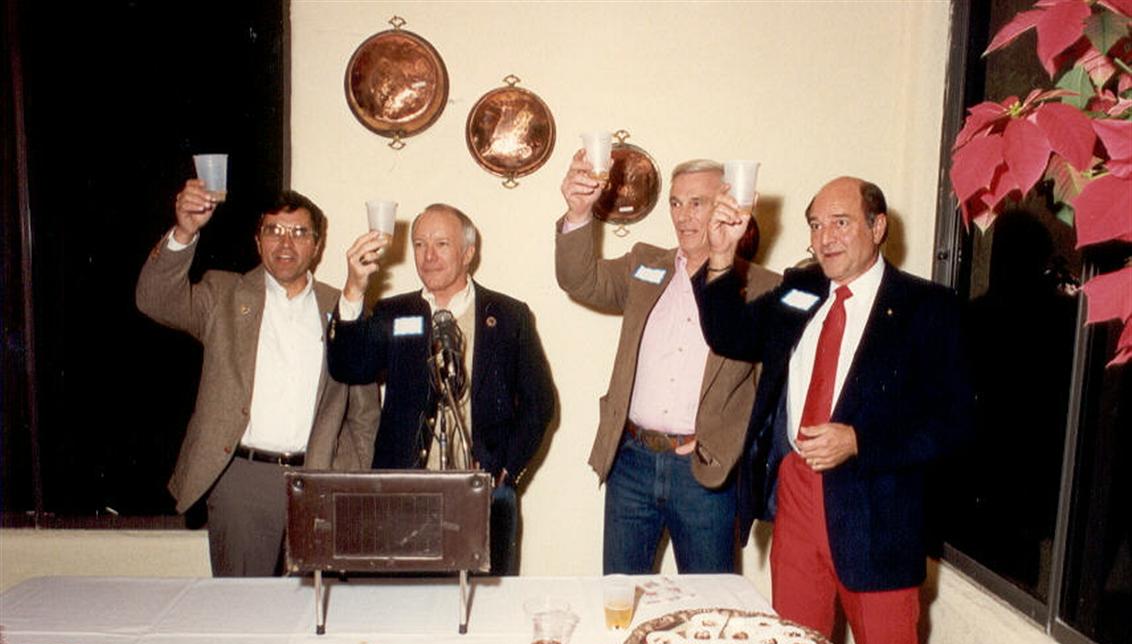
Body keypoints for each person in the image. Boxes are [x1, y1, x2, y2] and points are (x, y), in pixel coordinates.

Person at [694, 176, 974, 644]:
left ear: (878, 226)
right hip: (797, 504)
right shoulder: (803, 291)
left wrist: (860, 441)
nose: (825, 238)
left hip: (877, 519)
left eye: (841, 223)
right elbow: (730, 335)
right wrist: (720, 257)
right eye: (816, 225)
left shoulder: (927, 307)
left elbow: (955, 424)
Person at [136, 180, 380, 577]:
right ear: (257, 240)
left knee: (314, 605)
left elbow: (364, 411)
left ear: (317, 246)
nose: (285, 243)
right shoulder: (223, 294)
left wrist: (348, 474)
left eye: (299, 232)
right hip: (242, 481)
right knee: (243, 606)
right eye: (273, 230)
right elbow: (155, 299)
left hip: (318, 478)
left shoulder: (344, 307)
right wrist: (184, 232)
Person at [556, 152, 780, 574]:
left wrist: (730, 442)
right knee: (621, 596)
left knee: (708, 602)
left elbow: (777, 393)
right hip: (631, 462)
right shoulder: (645, 265)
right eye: (676, 203)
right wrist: (579, 213)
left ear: (729, 203)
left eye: (697, 203)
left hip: (703, 472)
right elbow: (579, 280)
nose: (682, 215)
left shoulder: (763, 287)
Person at [326, 203, 555, 576]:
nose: (428, 256)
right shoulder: (394, 312)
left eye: (441, 244)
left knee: (485, 604)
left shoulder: (509, 316)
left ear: (468, 253)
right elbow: (348, 366)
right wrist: (354, 288)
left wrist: (507, 470)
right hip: (403, 495)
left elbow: (539, 404)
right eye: (419, 244)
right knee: (404, 603)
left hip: (483, 497)